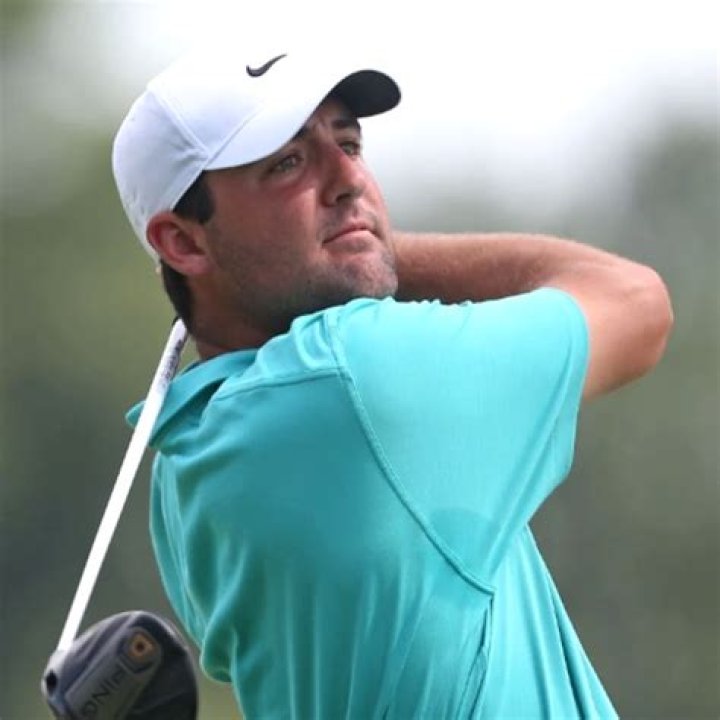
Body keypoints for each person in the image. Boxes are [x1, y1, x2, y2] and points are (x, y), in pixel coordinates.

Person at [112, 43, 673, 718]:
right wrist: (370, 246)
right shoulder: (354, 374)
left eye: (349, 144)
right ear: (183, 242)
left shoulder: (180, 465)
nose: (349, 179)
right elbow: (636, 303)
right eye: (288, 163)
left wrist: (346, 243)